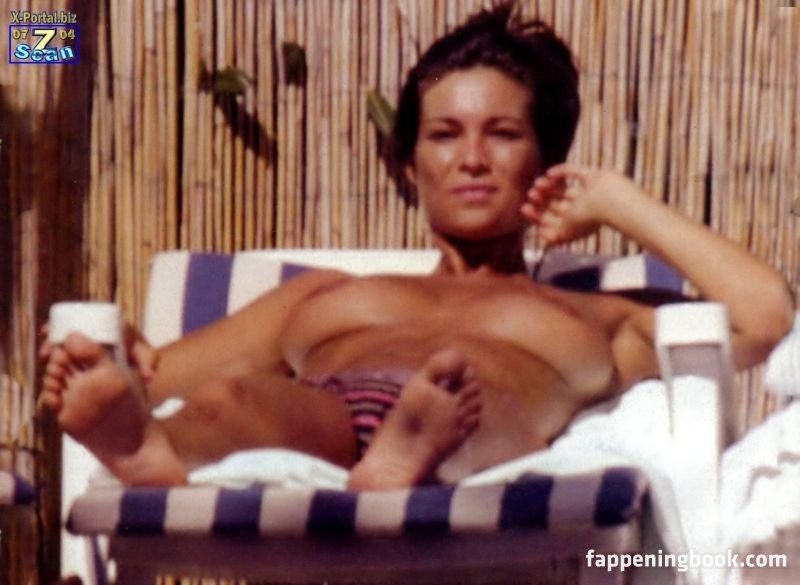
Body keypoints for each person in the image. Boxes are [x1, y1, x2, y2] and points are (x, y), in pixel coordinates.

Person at [40, 3, 793, 491]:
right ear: (409, 163)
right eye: (444, 135)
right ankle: (153, 455)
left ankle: (410, 461)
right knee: (232, 402)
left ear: (546, 159)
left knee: (472, 407)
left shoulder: (599, 316)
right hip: (330, 414)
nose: (472, 160)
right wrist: (127, 362)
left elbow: (765, 317)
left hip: (470, 422)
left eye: (504, 134)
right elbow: (169, 374)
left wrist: (619, 201)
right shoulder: (321, 295)